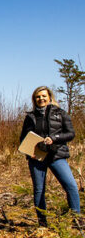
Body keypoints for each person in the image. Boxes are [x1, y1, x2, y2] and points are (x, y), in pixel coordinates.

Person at [19, 86, 81, 226]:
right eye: (38, 97)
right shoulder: (30, 117)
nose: (41, 99)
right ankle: (42, 223)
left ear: (49, 97)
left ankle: (77, 220)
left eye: (43, 96)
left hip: (56, 155)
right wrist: (30, 153)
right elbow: (23, 139)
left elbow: (70, 134)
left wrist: (54, 137)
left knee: (71, 186)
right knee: (39, 190)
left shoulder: (60, 113)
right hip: (37, 159)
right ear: (35, 100)